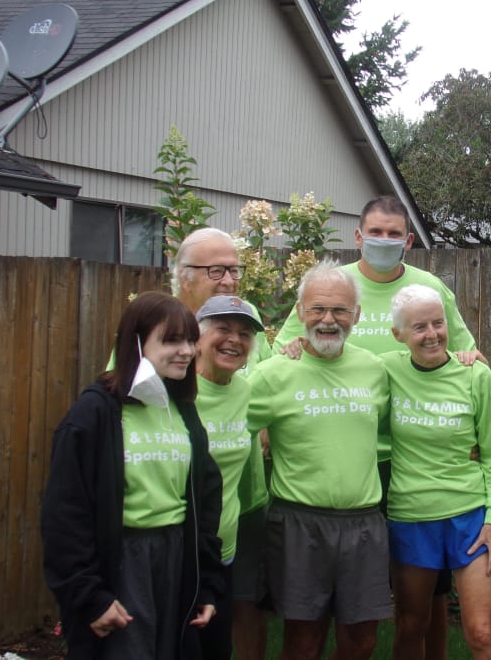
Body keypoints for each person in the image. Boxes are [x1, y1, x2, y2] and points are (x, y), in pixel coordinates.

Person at [272, 195, 480, 658]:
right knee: (337, 597)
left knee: (429, 591)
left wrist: (469, 358)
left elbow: (463, 353)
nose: (384, 241)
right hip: (349, 457)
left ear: (408, 240)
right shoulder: (336, 288)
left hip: (411, 457)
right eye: (376, 233)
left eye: (394, 234)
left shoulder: (429, 287)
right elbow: (286, 345)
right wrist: (288, 350)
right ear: (358, 236)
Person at [41, 291, 223, 660]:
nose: (186, 351)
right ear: (136, 343)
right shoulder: (94, 413)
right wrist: (89, 597)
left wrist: (205, 587)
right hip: (121, 562)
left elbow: (204, 505)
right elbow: (64, 514)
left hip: (176, 557)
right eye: (171, 340)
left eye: (190, 340)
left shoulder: (183, 411)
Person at [247, 260, 391, 660]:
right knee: (302, 644)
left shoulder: (375, 370)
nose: (328, 320)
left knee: (362, 643)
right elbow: (233, 430)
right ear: (299, 313)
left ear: (357, 315)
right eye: (318, 309)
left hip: (363, 522)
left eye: (340, 310)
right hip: (298, 523)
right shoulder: (272, 374)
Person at [381, 285, 491, 660]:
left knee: (482, 634)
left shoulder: (475, 376)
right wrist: (297, 347)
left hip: (471, 517)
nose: (432, 334)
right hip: (412, 516)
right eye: (419, 327)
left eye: (438, 323)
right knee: (410, 627)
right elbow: (338, 365)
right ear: (398, 334)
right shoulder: (386, 370)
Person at [173, 227, 273, 660]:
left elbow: (276, 386)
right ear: (184, 277)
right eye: (217, 270)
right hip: (172, 537)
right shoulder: (159, 360)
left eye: (235, 269)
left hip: (237, 515)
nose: (230, 279)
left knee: (228, 623)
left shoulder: (252, 339)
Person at [193, 295, 265, 660]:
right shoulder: (175, 389)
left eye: (245, 334)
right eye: (223, 330)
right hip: (178, 549)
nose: (234, 340)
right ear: (198, 338)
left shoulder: (245, 392)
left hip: (224, 549)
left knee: (215, 648)